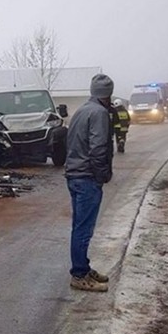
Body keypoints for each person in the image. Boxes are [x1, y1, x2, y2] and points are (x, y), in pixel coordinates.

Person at [65, 73, 114, 292]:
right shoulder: (99, 113)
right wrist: (102, 174)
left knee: (79, 226)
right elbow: (98, 147)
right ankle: (79, 274)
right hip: (87, 177)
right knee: (84, 229)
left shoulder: (82, 110)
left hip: (74, 175)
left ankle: (82, 266)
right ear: (108, 94)